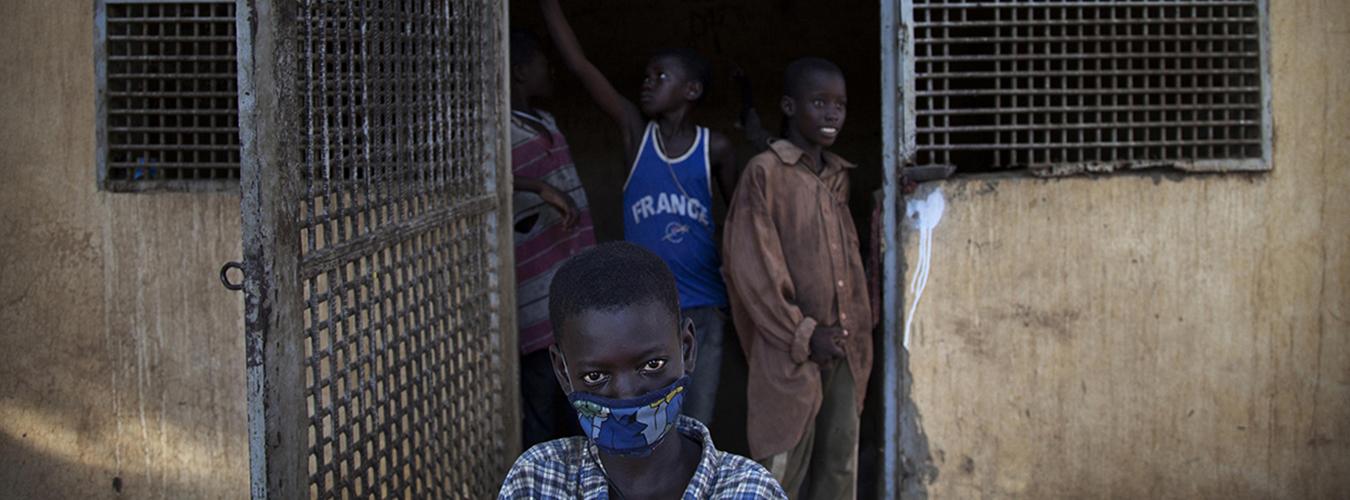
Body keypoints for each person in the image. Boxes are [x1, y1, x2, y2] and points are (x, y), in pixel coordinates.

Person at [539, 0, 739, 425]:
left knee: (692, 421)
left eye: (660, 77)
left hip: (703, 308)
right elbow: (581, 66)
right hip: (641, 311)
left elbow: (743, 224)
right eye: (646, 76)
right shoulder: (637, 134)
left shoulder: (715, 149)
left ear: (692, 90)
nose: (647, 84)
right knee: (638, 421)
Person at [498, 242, 787, 499]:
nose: (626, 395)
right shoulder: (536, 482)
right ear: (562, 372)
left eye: (652, 365)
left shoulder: (751, 490)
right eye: (596, 376)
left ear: (686, 349)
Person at [721, 58, 874, 500]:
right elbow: (755, 274)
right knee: (779, 472)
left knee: (839, 468)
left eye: (840, 105)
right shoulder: (765, 174)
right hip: (789, 353)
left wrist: (850, 332)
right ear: (789, 106)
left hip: (843, 348)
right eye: (819, 102)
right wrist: (805, 333)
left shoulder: (838, 177)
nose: (832, 114)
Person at [509, 29, 597, 449]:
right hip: (534, 301)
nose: (552, 70)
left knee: (579, 411)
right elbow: (483, 184)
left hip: (573, 293)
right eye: (542, 63)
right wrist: (540, 189)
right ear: (521, 71)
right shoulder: (496, 132)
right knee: (543, 415)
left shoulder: (546, 122)